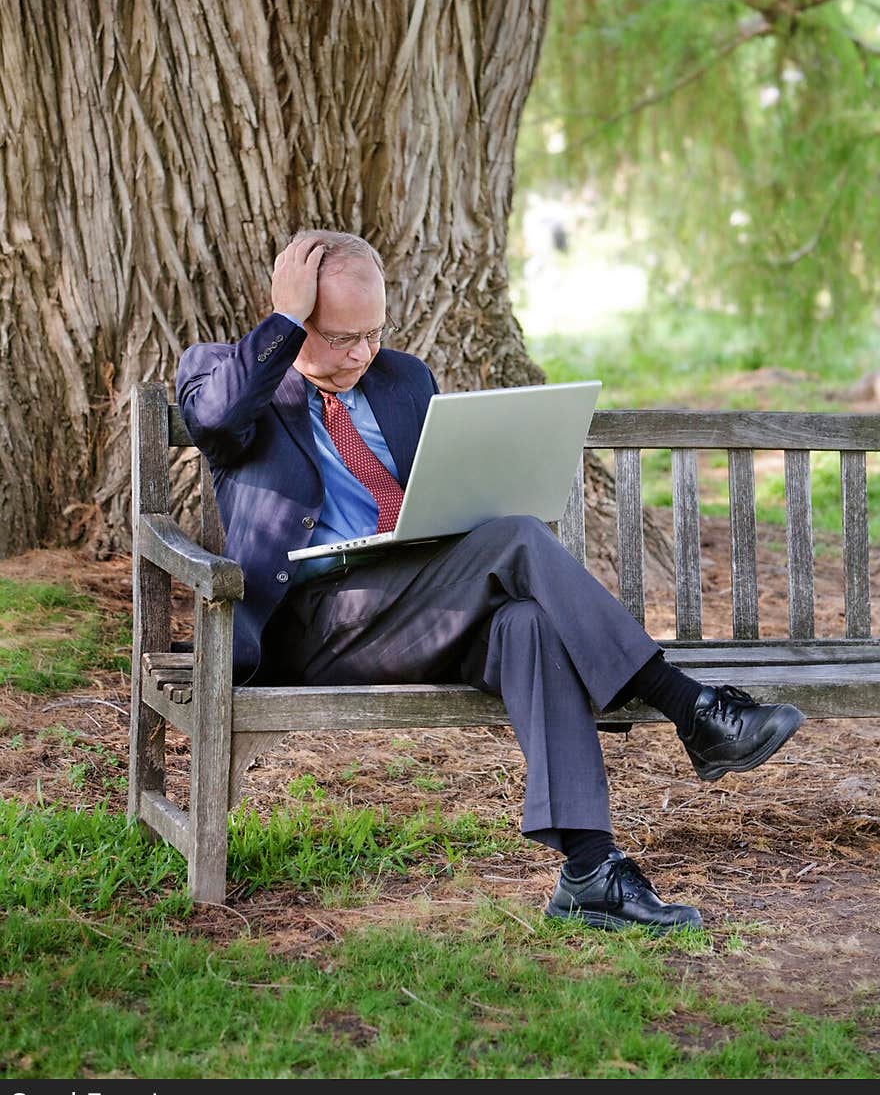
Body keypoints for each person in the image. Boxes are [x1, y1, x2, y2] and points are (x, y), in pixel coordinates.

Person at [176, 229, 806, 933]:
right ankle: (690, 708)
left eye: (373, 334)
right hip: (316, 625)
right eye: (339, 336)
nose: (360, 353)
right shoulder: (225, 375)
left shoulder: (404, 381)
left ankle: (590, 871)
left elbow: (450, 496)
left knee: (529, 625)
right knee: (517, 539)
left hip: (423, 610)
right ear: (295, 313)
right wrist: (284, 322)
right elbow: (215, 418)